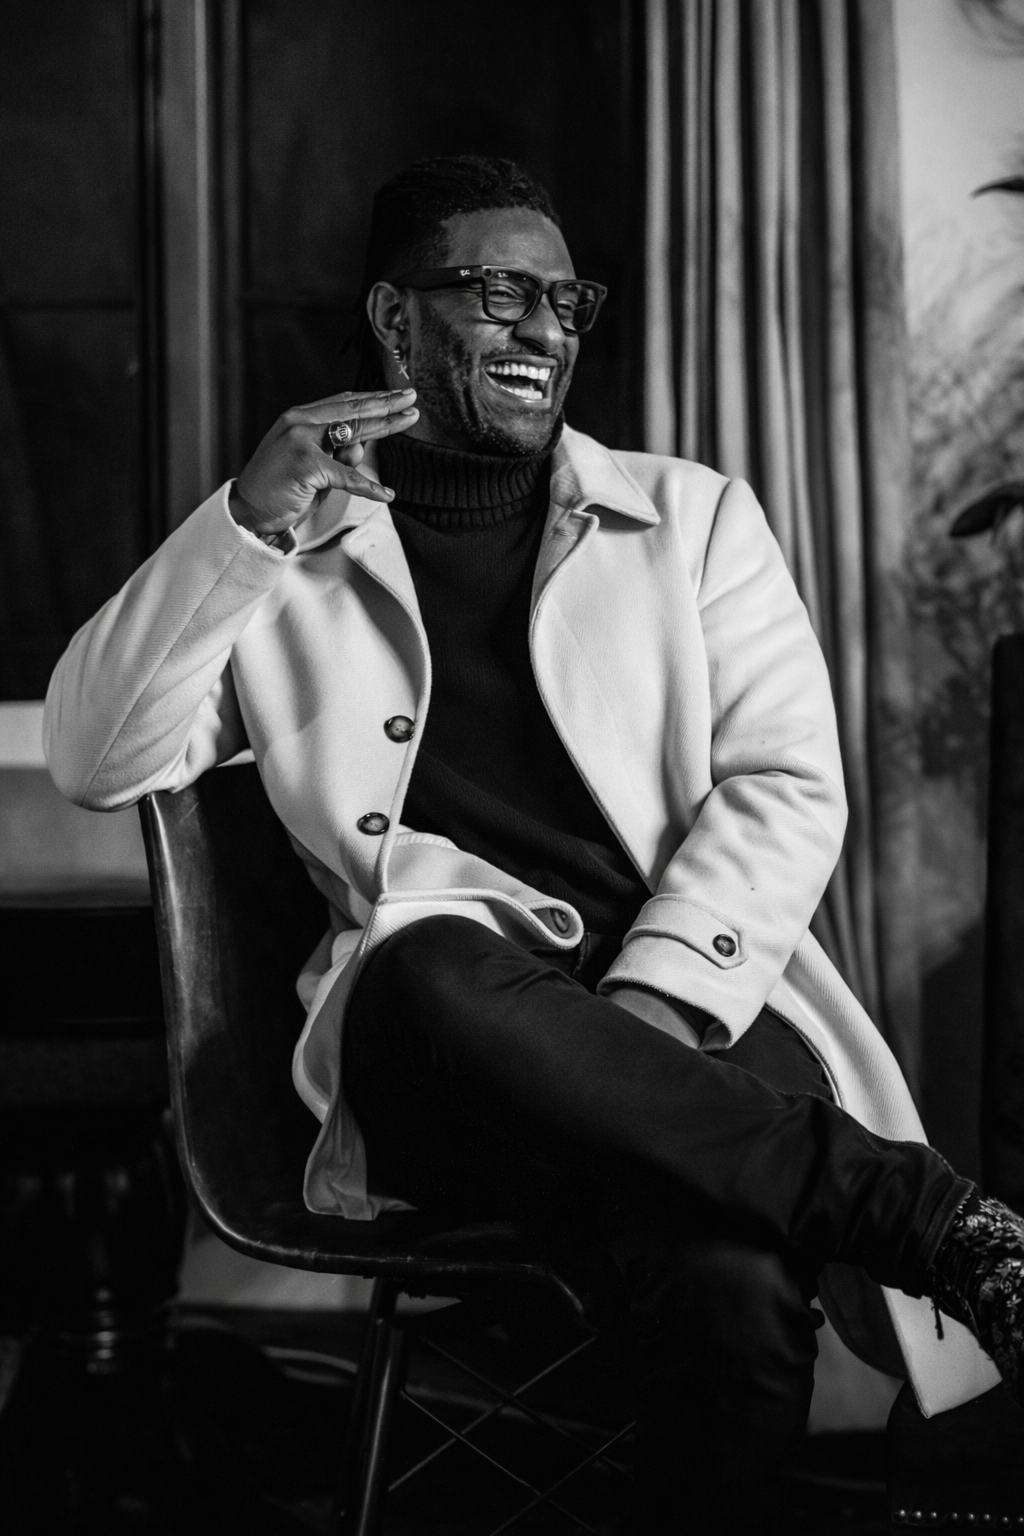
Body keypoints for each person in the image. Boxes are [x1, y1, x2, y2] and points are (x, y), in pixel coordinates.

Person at [45, 155, 1024, 1532]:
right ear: (394, 318)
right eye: (500, 292)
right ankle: (923, 1219)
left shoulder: (695, 521)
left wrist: (650, 1007)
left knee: (730, 1268)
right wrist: (249, 521)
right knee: (430, 960)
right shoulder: (287, 567)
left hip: (688, 1018)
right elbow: (96, 757)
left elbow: (788, 783)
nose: (545, 328)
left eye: (566, 300)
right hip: (448, 1057)